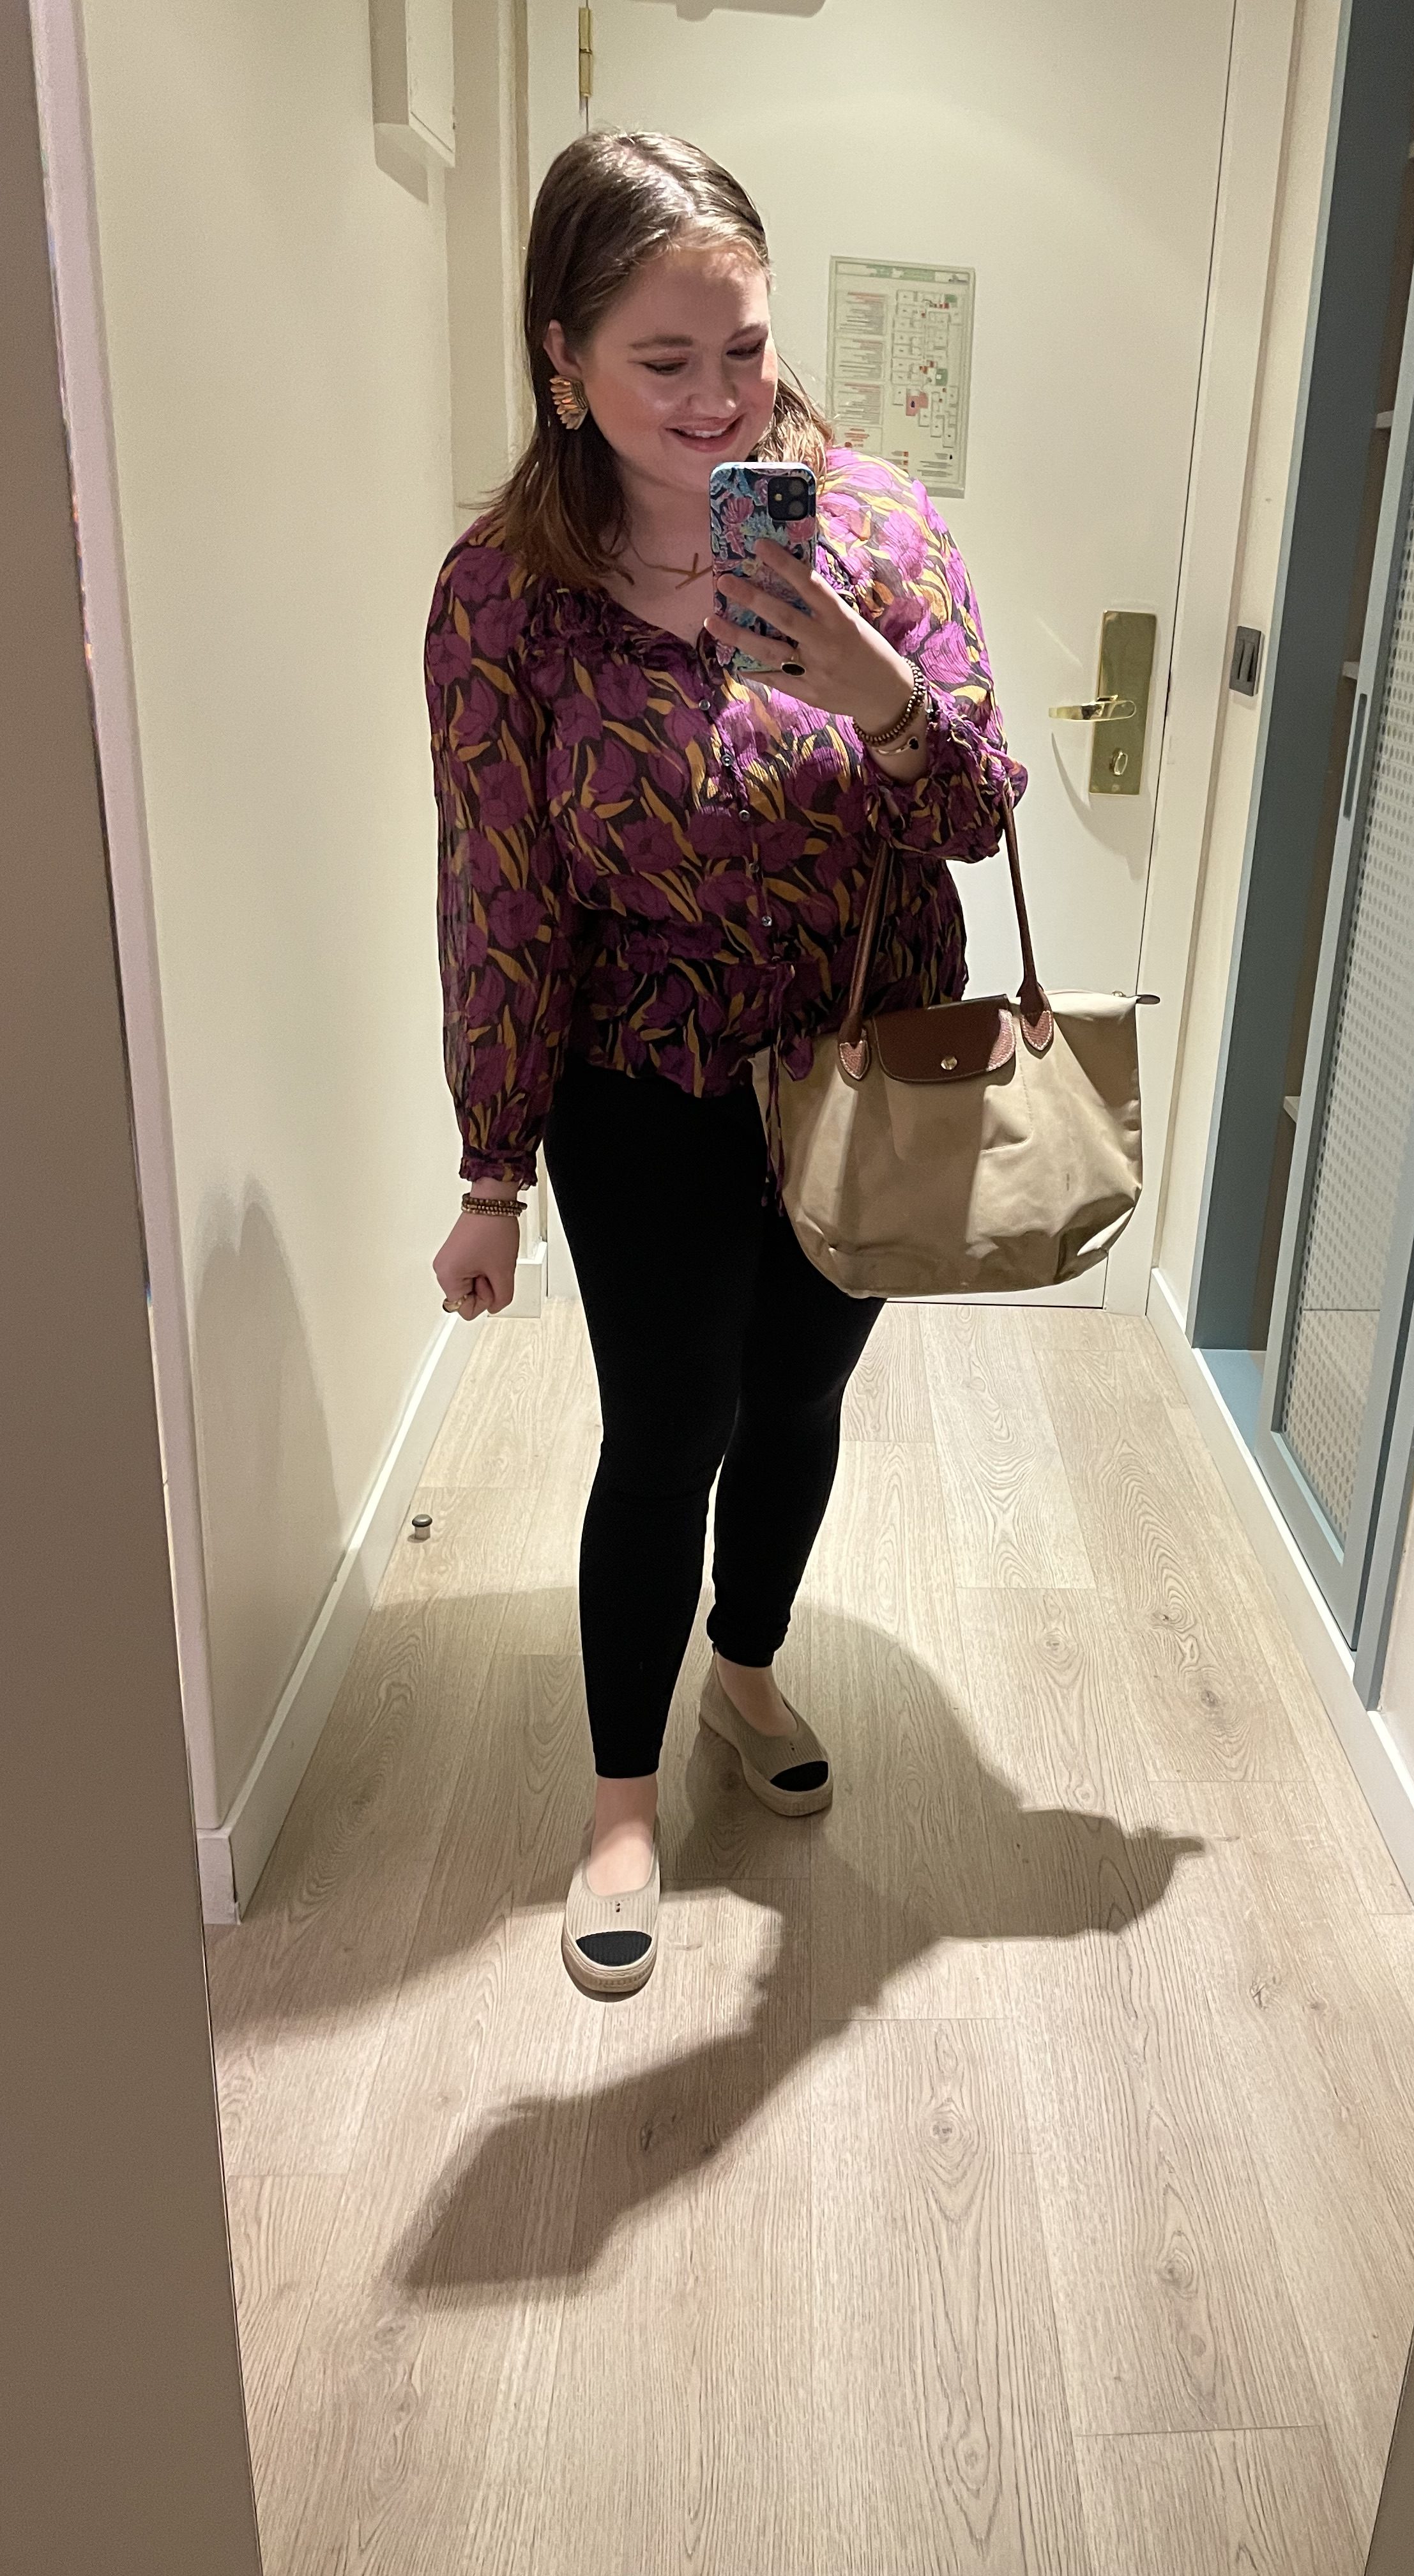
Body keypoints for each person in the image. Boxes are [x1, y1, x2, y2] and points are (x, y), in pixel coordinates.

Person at [425, 131, 1022, 2000]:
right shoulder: (504, 598)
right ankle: (621, 1802)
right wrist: (491, 1170)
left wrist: (880, 691)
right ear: (562, 360)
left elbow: (981, 816)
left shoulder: (881, 533)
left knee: (799, 1400)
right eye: (663, 361)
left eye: (744, 349)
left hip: (874, 1066)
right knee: (666, 1425)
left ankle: (744, 1672)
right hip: (645, 1083)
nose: (717, 400)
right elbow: (499, 890)